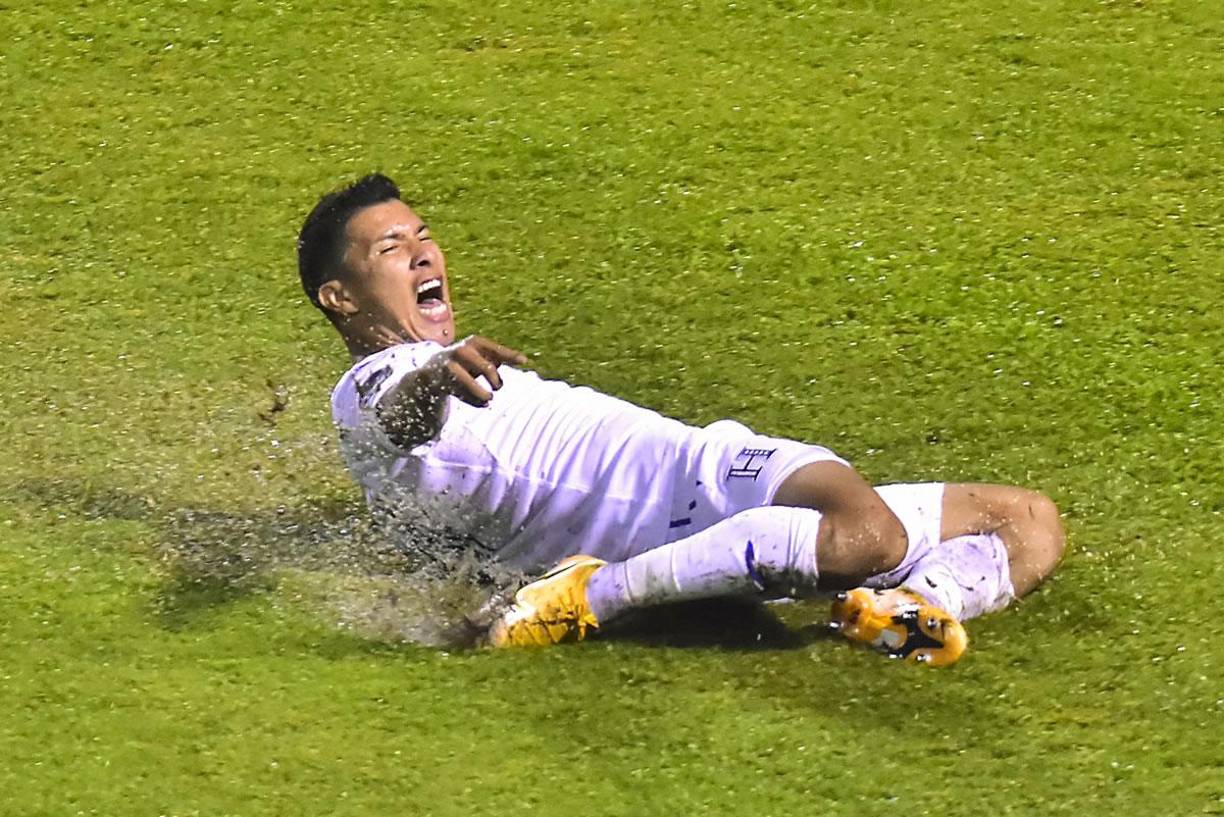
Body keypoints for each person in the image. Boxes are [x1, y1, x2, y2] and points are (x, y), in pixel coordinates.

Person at [298, 174, 1065, 666]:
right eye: (395, 247)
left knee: (1026, 519)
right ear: (340, 296)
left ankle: (912, 605)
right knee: (866, 528)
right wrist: (435, 375)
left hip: (682, 487)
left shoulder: (417, 394)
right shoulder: (375, 384)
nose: (425, 254)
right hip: (672, 485)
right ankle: (590, 599)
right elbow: (396, 421)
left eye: (425, 234)